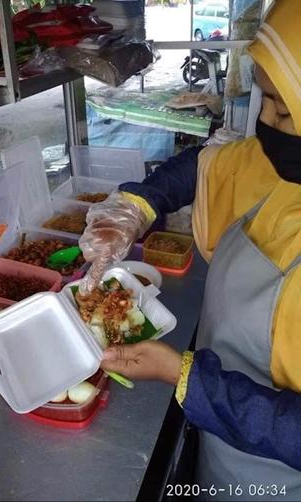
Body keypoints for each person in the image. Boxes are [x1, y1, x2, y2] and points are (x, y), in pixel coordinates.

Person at [77, 1, 301, 499]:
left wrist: (184, 378)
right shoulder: (279, 168)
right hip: (219, 442)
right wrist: (132, 209)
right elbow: (210, 164)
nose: (263, 121)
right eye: (265, 97)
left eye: (283, 110)